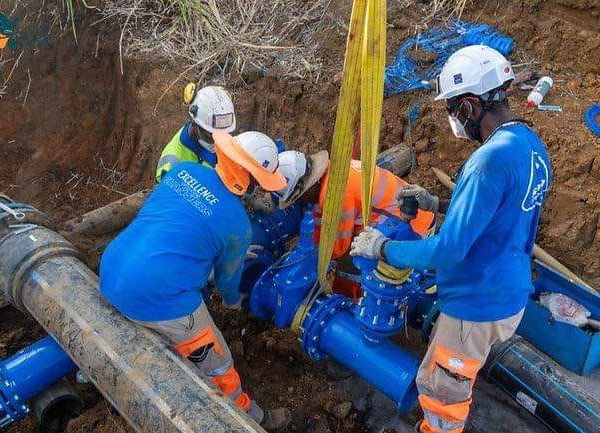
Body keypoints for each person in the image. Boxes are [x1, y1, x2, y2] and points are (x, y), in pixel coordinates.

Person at [349, 45, 552, 433]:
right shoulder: (529, 144)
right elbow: (504, 210)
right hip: (508, 293)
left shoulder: (487, 162)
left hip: (475, 307)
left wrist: (383, 247)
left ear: (471, 106)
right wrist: (439, 204)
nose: (452, 119)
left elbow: (448, 250)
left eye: (453, 109)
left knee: (444, 395)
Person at [100, 131, 291, 430]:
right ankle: (250, 417)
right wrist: (232, 299)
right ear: (252, 180)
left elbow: (182, 229)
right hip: (157, 296)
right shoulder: (237, 225)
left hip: (112, 269)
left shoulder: (183, 171)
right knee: (218, 361)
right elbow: (228, 286)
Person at [275, 150, 435, 259]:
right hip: (416, 213)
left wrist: (307, 256)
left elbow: (337, 248)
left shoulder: (335, 195)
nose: (301, 201)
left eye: (300, 197)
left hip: (414, 229)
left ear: (309, 186)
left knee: (357, 263)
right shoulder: (333, 167)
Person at [155, 84, 236, 182]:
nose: (219, 140)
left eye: (225, 134)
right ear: (196, 124)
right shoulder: (173, 161)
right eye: (212, 135)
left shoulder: (225, 144)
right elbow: (168, 192)